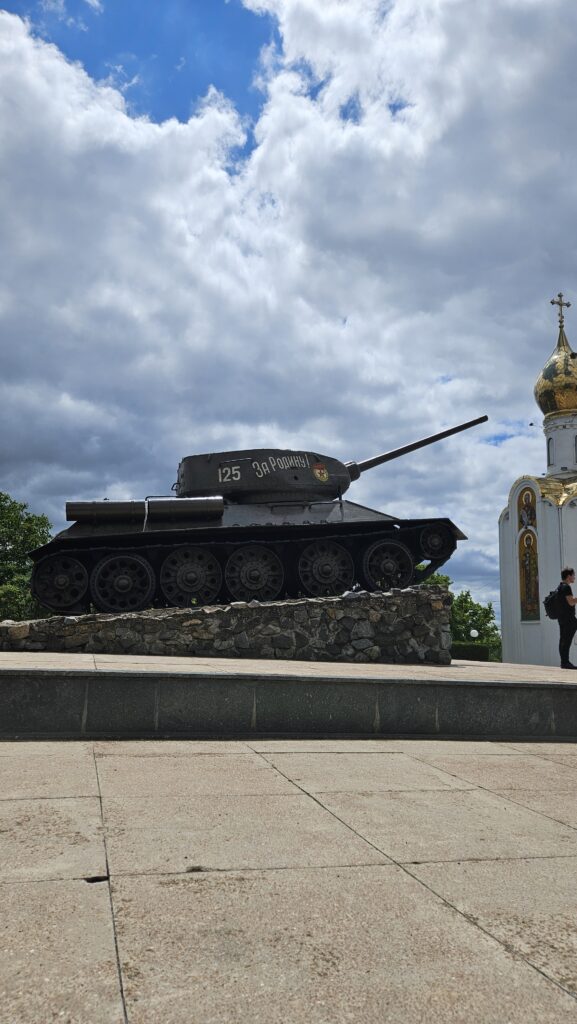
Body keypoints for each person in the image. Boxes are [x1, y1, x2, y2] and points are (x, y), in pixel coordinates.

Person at [558, 567, 577, 668]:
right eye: (573, 575)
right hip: (568, 619)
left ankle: (564, 662)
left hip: (562, 618)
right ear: (569, 576)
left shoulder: (560, 587)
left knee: (563, 640)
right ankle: (565, 662)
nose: (574, 577)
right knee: (566, 640)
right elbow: (571, 602)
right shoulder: (566, 587)